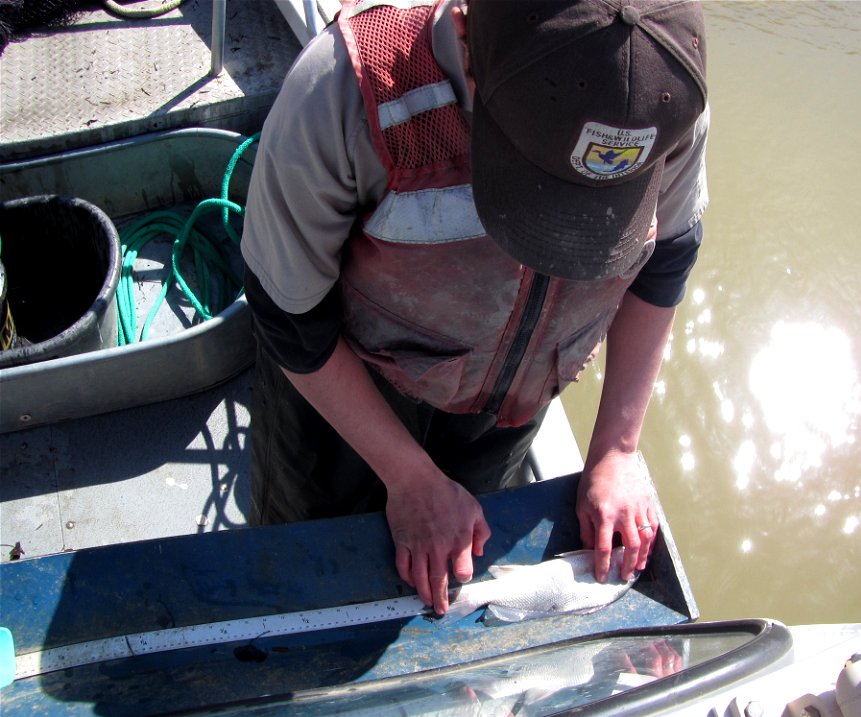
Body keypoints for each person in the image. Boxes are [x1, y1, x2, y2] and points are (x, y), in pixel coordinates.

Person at [240, 0, 709, 616]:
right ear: (464, 35)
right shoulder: (342, 92)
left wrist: (616, 450)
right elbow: (289, 319)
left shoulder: (661, 96)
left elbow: (666, 262)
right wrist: (408, 477)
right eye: (531, 170)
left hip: (510, 404)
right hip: (348, 390)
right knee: (304, 571)